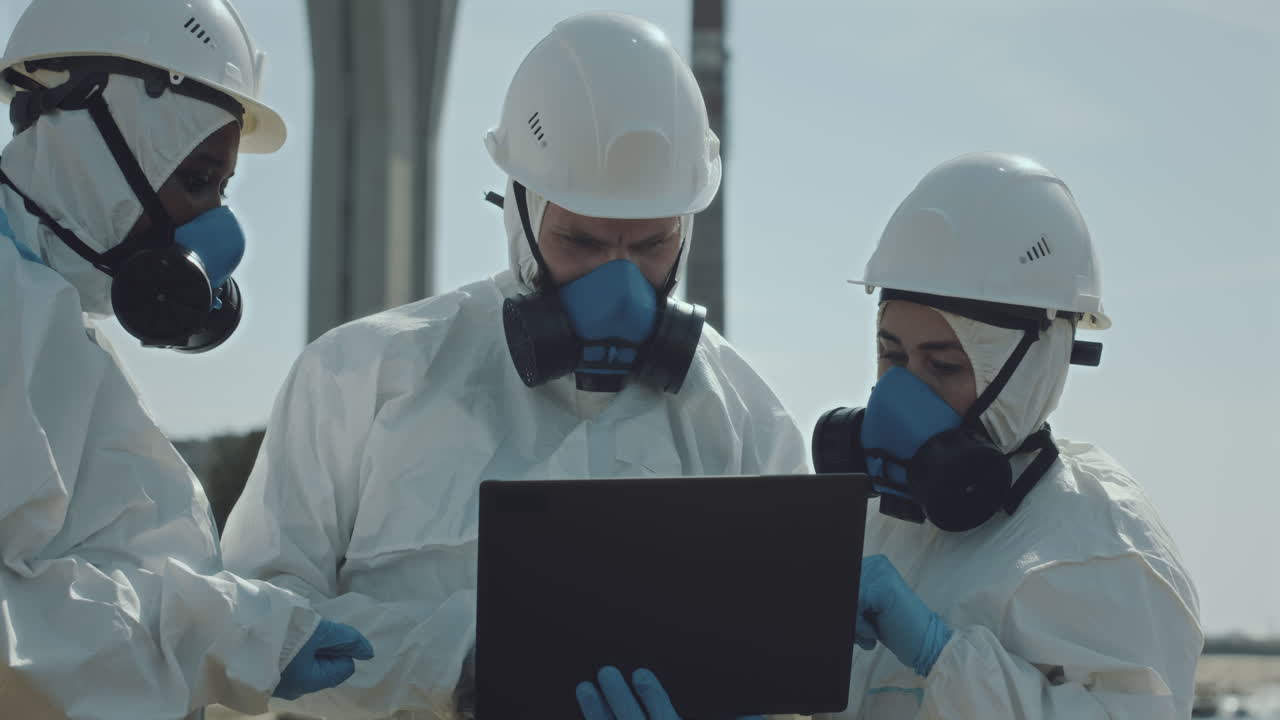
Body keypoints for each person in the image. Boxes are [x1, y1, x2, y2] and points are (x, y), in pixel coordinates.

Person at [220, 10, 807, 719]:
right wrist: (458, 667)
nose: (618, 286)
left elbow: (781, 665)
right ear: (518, 212)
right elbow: (256, 626)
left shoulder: (745, 418)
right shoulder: (361, 377)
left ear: (685, 228)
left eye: (651, 246)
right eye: (582, 243)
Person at [0, 1, 373, 717]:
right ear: (99, 136)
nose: (211, 228)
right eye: (197, 179)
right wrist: (222, 637)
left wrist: (227, 636)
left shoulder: (46, 307)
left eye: (222, 189)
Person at [808, 152, 1202, 718]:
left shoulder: (1107, 553)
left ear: (1032, 368)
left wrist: (943, 657)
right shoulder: (878, 527)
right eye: (891, 356)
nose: (898, 400)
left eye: (944, 367)